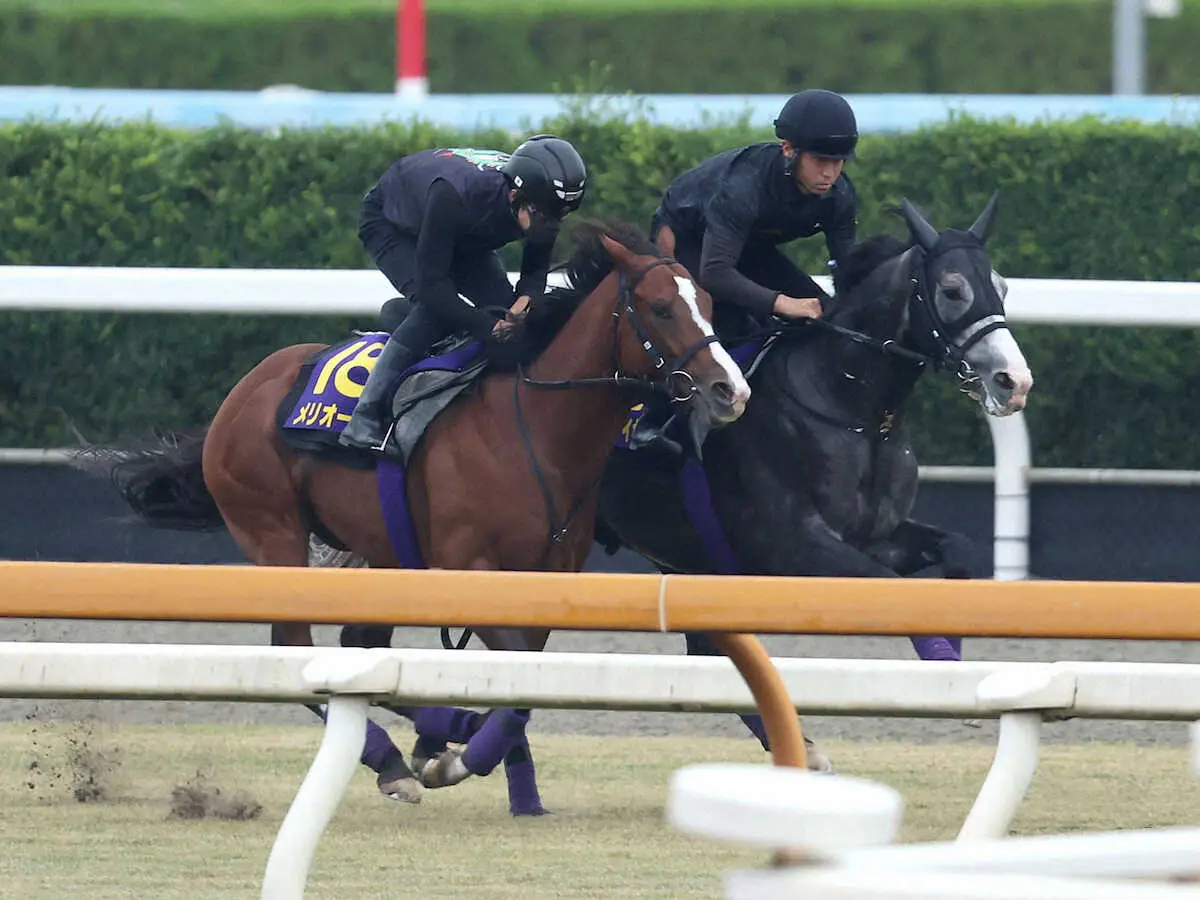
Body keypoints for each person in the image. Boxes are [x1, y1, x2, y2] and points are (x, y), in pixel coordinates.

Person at [339, 134, 588, 452]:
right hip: (394, 224)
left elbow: (534, 274)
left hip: (462, 231)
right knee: (434, 311)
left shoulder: (539, 201)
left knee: (503, 311)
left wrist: (523, 304)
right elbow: (433, 289)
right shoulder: (455, 196)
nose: (551, 227)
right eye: (544, 217)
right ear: (514, 196)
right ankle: (364, 416)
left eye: (560, 217)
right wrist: (485, 326)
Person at [650, 88, 859, 339]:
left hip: (747, 244)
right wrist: (784, 303)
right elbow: (715, 273)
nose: (829, 174)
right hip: (688, 239)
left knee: (827, 314)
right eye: (820, 161)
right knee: (735, 323)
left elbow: (849, 272)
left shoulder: (840, 195)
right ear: (788, 149)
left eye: (838, 162)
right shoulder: (743, 187)